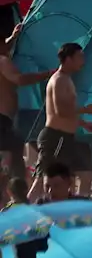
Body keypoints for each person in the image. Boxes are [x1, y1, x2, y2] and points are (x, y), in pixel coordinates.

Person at [37, 43, 92, 190]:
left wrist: (82, 124)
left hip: (67, 138)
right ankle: (24, 211)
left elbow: (66, 112)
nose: (83, 61)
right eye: (80, 57)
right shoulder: (59, 80)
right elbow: (60, 111)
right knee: (44, 180)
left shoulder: (66, 79)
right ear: (68, 59)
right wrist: (86, 110)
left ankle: (77, 207)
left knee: (85, 175)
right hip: (56, 137)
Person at [0, 24, 52, 177]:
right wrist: (47, 74)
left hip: (5, 120)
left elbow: (4, 47)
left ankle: (11, 193)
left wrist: (14, 37)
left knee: (13, 160)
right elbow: (20, 79)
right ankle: (9, 195)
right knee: (10, 163)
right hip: (2, 121)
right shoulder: (3, 61)